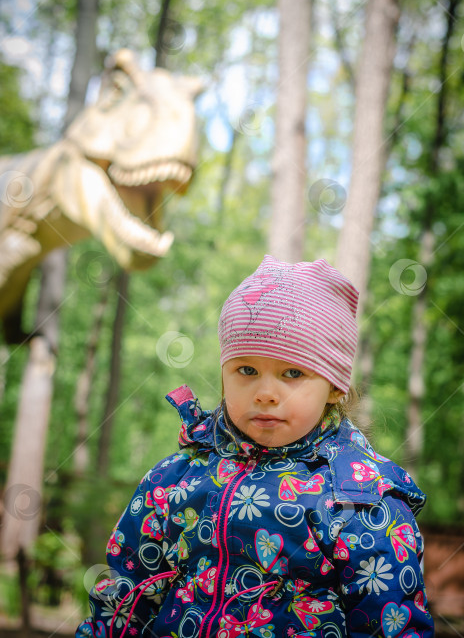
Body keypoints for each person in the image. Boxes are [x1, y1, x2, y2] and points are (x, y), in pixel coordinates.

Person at [76, 255, 434, 638]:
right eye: (246, 370)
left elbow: (391, 625)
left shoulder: (360, 499)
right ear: (225, 374)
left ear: (334, 386)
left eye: (292, 372)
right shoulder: (175, 480)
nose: (265, 393)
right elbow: (124, 604)